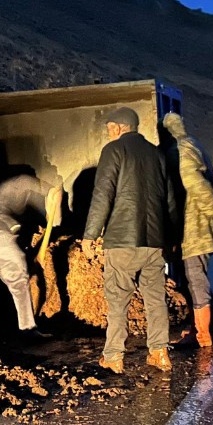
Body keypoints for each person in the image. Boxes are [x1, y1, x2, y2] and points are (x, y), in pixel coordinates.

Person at [82, 107, 179, 374]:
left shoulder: (113, 151)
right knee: (155, 298)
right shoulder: (157, 154)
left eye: (109, 127)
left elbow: (103, 195)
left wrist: (90, 235)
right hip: (154, 241)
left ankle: (113, 356)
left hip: (122, 241)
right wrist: (171, 238)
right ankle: (159, 352)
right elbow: (170, 201)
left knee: (118, 299)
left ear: (118, 127)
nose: (108, 132)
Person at [162, 112, 213, 349]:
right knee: (195, 277)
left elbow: (194, 182)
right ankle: (201, 330)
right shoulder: (193, 145)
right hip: (196, 224)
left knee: (195, 277)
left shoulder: (181, 150)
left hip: (194, 226)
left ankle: (204, 337)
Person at [0, 173, 62, 341]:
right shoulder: (24, 183)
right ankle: (28, 329)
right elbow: (52, 206)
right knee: (18, 282)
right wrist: (55, 198)